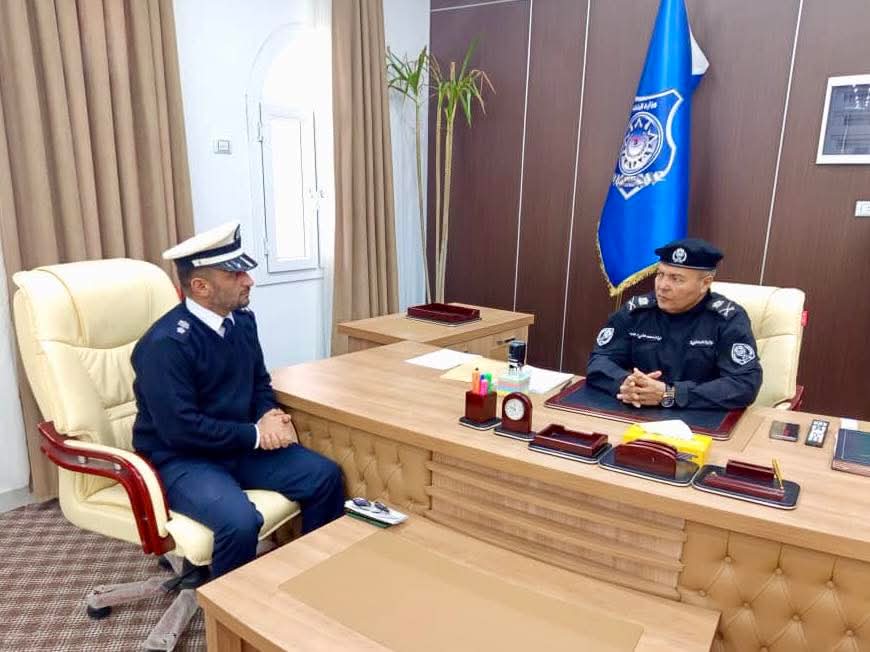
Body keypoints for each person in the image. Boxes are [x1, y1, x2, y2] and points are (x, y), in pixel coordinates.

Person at [132, 221, 345, 577]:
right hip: (183, 458)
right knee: (240, 522)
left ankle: (314, 576)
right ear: (200, 287)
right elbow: (181, 430)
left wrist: (269, 415)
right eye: (235, 275)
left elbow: (259, 381)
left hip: (237, 447)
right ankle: (229, 608)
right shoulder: (165, 345)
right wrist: (257, 434)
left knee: (324, 476)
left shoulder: (241, 321)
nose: (249, 280)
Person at [586, 238, 762, 410]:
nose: (663, 286)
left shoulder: (727, 319)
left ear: (705, 283)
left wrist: (671, 394)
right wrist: (625, 383)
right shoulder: (637, 311)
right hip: (637, 409)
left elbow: (745, 384)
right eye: (660, 274)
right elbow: (599, 359)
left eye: (676, 279)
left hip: (698, 417)